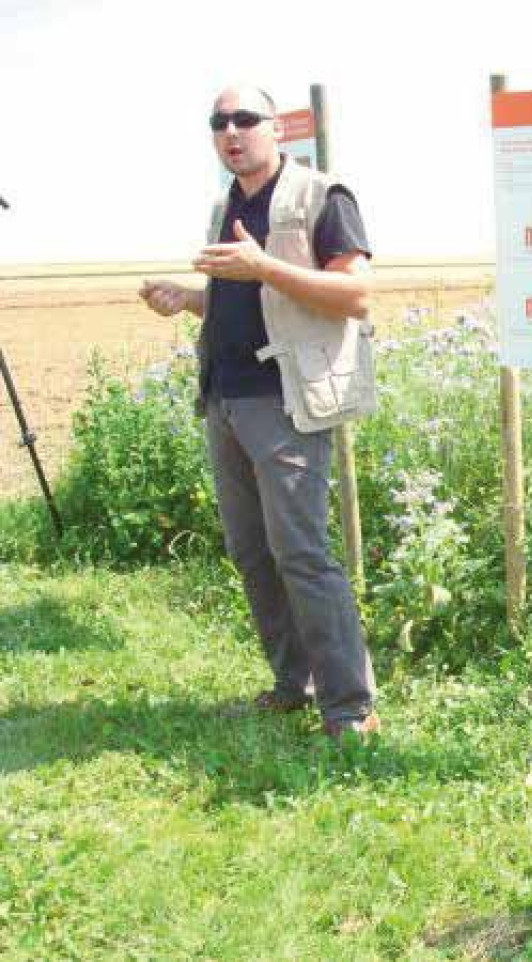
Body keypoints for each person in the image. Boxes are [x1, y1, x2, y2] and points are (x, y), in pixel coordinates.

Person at [139, 85, 380, 740]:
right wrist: (189, 297)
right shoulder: (229, 203)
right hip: (225, 398)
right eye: (219, 122)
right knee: (253, 553)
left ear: (276, 129)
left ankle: (350, 707)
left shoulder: (320, 196)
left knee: (301, 553)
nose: (231, 131)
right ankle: (292, 683)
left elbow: (355, 294)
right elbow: (244, 296)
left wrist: (264, 266)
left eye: (246, 119)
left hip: (287, 400)